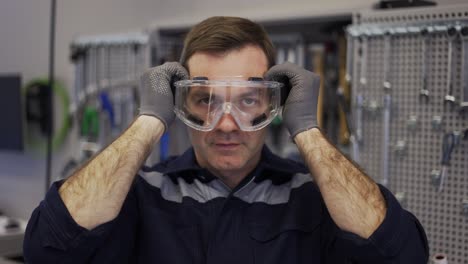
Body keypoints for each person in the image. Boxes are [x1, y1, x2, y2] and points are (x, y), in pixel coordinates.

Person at [23, 16, 429, 263]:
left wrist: (308, 129)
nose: (227, 124)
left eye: (249, 100)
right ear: (180, 103)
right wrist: (148, 121)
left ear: (275, 103)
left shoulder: (313, 196)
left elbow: (403, 255)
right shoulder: (144, 192)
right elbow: (46, 249)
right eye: (206, 100)